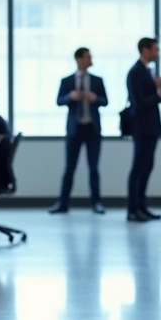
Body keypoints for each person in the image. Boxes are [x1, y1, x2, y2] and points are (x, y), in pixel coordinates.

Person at [52, 47, 108, 215]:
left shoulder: (97, 81)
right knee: (69, 168)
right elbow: (59, 101)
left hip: (92, 129)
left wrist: (95, 98)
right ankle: (63, 202)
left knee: (94, 168)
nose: (90, 60)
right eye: (87, 57)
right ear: (78, 59)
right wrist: (70, 97)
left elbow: (105, 101)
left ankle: (96, 202)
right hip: (74, 130)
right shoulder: (67, 81)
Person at [126, 37, 161, 222]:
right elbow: (139, 102)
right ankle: (133, 208)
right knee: (139, 168)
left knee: (146, 167)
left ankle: (141, 206)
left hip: (150, 128)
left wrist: (157, 89)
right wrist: (159, 94)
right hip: (142, 128)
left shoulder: (146, 71)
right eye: (155, 49)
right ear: (145, 50)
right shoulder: (136, 72)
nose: (157, 52)